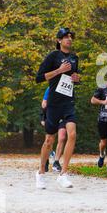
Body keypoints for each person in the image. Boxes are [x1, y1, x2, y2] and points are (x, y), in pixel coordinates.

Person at [35, 27, 80, 189]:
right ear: (59, 40)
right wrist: (59, 71)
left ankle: (63, 174)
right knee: (49, 140)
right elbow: (39, 78)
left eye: (70, 37)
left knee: (72, 134)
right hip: (54, 103)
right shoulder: (53, 56)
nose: (69, 39)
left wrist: (76, 78)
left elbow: (73, 79)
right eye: (65, 37)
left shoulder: (75, 58)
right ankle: (40, 172)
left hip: (68, 102)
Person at [40, 86, 66, 172]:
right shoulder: (50, 88)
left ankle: (56, 162)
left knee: (62, 138)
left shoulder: (67, 87)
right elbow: (43, 104)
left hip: (63, 116)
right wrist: (43, 118)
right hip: (51, 116)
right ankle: (46, 161)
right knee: (49, 140)